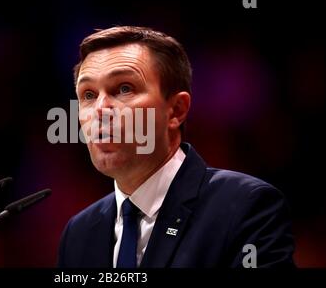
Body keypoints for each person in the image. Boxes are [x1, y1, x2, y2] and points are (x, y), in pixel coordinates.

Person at [57, 26, 295, 268]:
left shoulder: (246, 207)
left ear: (177, 110)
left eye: (124, 88)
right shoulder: (79, 233)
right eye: (88, 95)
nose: (100, 109)